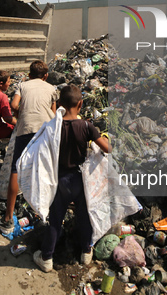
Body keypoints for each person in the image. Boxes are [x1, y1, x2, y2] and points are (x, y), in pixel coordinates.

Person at [33, 84, 111, 273]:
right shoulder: (86, 126)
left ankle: (47, 257)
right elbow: (107, 148)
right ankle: (86, 252)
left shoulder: (53, 127)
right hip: (79, 179)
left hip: (59, 181)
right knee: (84, 215)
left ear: (59, 104)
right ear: (81, 103)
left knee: (56, 219)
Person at [0, 60, 57, 234]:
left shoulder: (22, 85)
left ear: (29, 74)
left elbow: (14, 105)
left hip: (26, 129)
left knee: (16, 169)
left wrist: (20, 116)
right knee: (44, 170)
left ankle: (7, 218)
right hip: (44, 132)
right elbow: (53, 112)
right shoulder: (51, 88)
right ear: (45, 76)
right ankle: (45, 213)